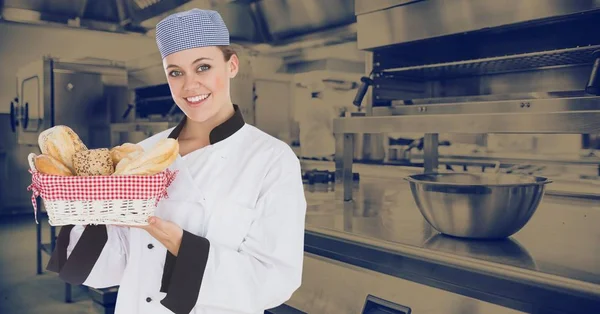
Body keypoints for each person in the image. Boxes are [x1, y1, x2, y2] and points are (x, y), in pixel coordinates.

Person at [46, 8, 307, 314]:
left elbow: (276, 279)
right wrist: (89, 213)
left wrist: (184, 248)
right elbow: (117, 261)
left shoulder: (271, 159)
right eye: (176, 72)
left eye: (203, 67)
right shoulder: (141, 153)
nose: (189, 85)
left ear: (231, 65)